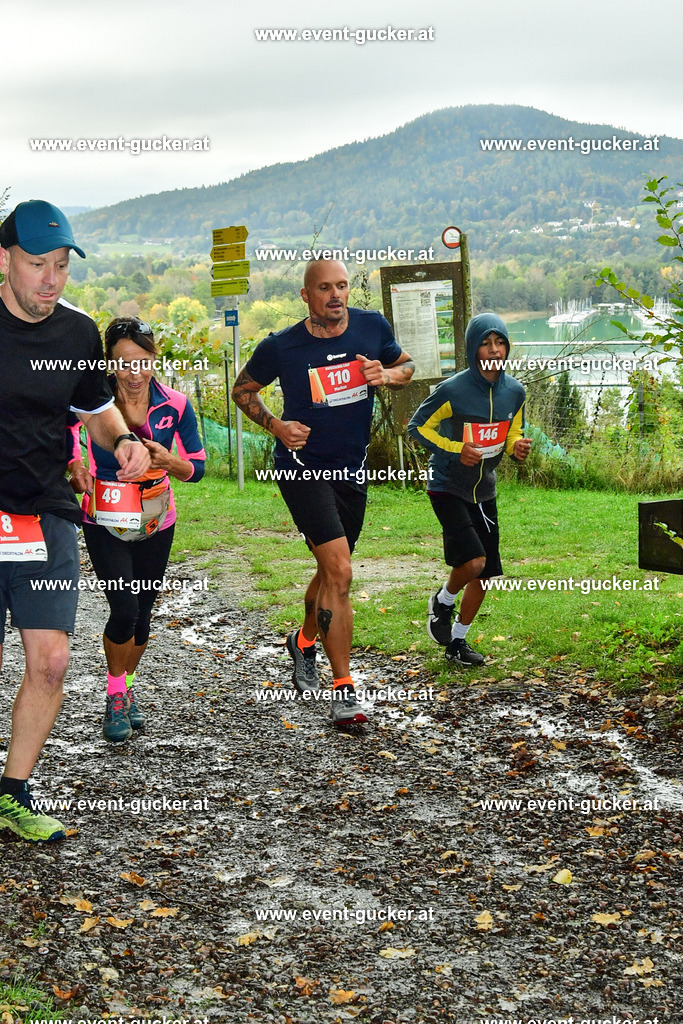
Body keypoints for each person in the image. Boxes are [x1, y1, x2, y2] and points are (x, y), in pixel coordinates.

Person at [0, 199, 150, 842]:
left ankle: (13, 793)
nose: (52, 280)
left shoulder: (76, 333)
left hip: (45, 512)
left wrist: (121, 443)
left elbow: (96, 410)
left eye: (61, 266)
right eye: (38, 265)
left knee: (53, 659)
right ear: (3, 259)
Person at [232, 258, 414, 725]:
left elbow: (406, 365)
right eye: (324, 288)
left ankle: (304, 640)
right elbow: (242, 390)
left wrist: (387, 376)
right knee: (340, 570)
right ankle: (344, 686)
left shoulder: (372, 328)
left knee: (333, 572)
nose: (335, 296)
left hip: (352, 470)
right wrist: (276, 425)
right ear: (306, 295)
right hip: (302, 470)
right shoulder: (283, 346)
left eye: (342, 286)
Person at [68, 317, 206, 741]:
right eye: (124, 363)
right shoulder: (92, 402)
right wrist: (74, 463)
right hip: (104, 518)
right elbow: (68, 435)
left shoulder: (177, 405)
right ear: (110, 363)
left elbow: (197, 468)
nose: (134, 373)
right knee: (124, 608)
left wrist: (170, 462)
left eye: (143, 361)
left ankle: (124, 689)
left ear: (153, 359)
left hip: (156, 519)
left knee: (144, 614)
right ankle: (114, 695)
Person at [408, 312, 531, 666]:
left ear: (507, 347)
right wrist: (453, 449)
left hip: (485, 491)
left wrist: (516, 447)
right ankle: (442, 601)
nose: (493, 350)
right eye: (485, 343)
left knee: (487, 575)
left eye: (500, 343)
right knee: (474, 561)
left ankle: (457, 643)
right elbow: (418, 428)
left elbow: (513, 432)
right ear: (472, 349)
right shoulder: (453, 390)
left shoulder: (515, 392)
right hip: (447, 486)